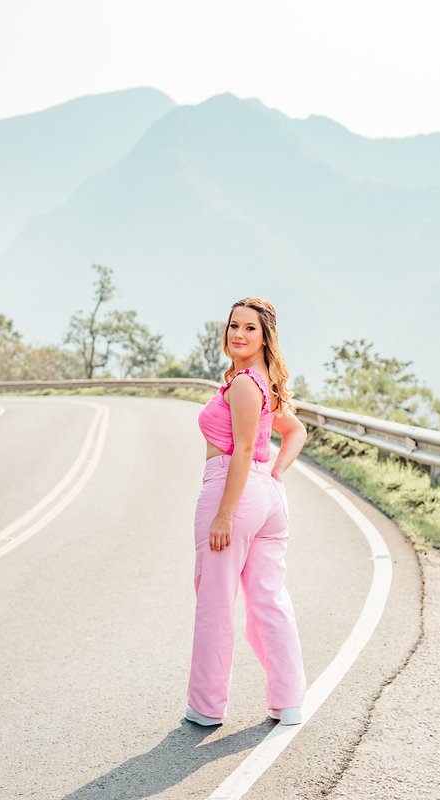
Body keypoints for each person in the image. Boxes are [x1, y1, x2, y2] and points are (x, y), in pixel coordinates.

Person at [186, 297, 308, 727]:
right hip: (267, 498)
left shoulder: (243, 385)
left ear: (265, 336)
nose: (238, 334)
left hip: (232, 491)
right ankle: (288, 702)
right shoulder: (262, 383)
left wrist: (224, 514)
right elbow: (295, 431)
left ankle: (205, 708)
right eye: (233, 326)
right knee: (269, 602)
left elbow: (239, 452)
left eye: (249, 328)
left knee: (216, 604)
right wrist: (273, 473)